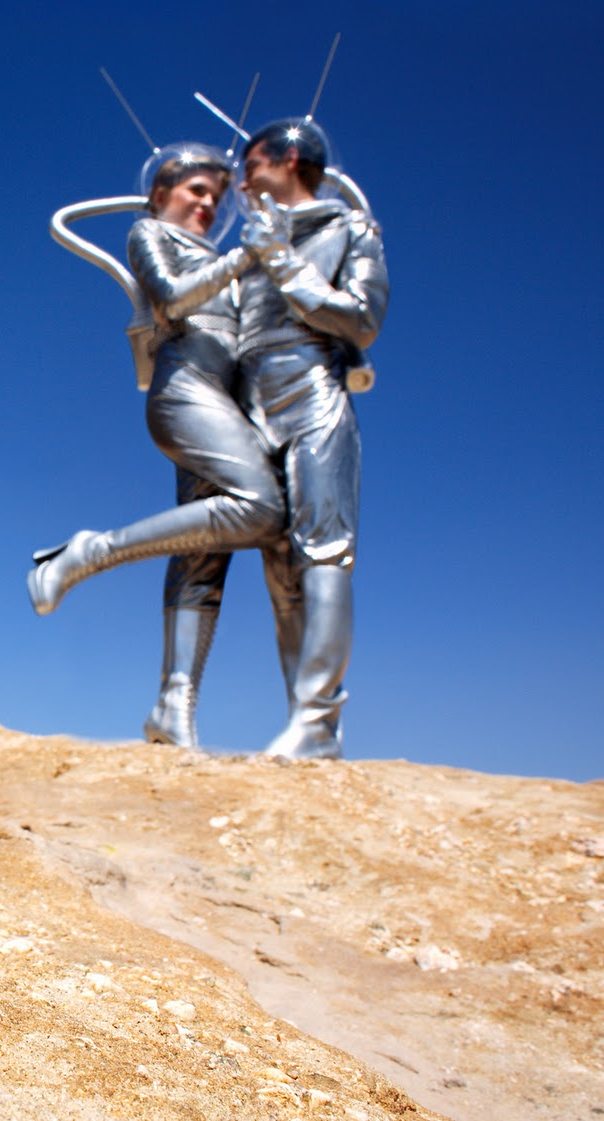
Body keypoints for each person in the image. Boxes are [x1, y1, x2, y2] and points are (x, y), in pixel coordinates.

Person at [30, 145, 286, 748]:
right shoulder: (149, 233)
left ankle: (175, 706)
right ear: (161, 193)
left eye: (216, 197)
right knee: (262, 509)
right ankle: (90, 552)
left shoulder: (226, 259)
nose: (207, 204)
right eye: (196, 190)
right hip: (185, 391)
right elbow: (170, 298)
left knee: (204, 557)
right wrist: (246, 256)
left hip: (227, 399)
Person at [231, 119, 388, 759]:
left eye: (252, 165)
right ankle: (302, 721)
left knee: (323, 550)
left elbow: (362, 318)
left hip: (314, 389)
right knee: (277, 564)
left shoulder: (349, 228)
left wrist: (281, 260)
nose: (242, 181)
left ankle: (318, 719)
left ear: (290, 157)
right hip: (250, 403)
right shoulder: (250, 242)